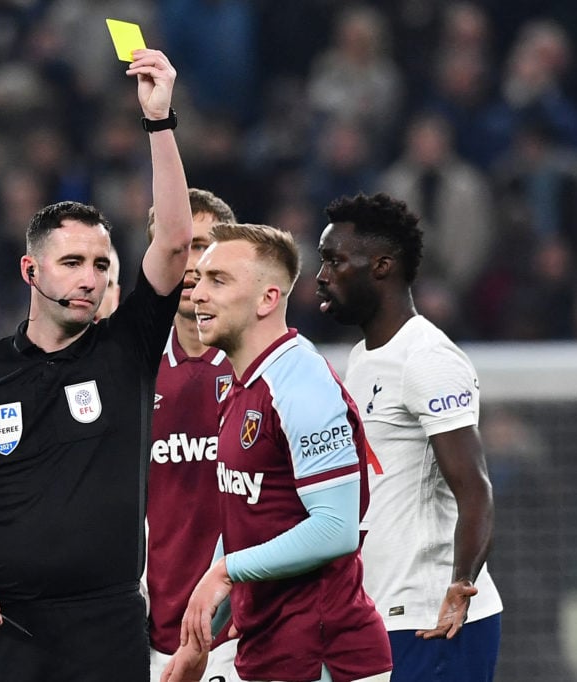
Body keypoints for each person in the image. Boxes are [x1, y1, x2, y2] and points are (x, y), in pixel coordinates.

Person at [0, 48, 193, 682]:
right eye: (71, 263)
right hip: (4, 629)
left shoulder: (126, 349)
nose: (89, 279)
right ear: (30, 270)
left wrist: (159, 121)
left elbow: (174, 241)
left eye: (100, 265)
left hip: (107, 629)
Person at [166, 223, 392, 682]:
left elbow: (336, 529)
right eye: (199, 279)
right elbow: (252, 521)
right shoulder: (241, 384)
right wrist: (198, 643)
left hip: (326, 655)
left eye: (218, 280)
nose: (197, 295)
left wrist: (227, 571)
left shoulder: (301, 384)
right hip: (269, 649)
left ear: (268, 299)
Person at [314, 192, 502, 681]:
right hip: (376, 610)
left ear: (381, 266)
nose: (322, 276)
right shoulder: (361, 359)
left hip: (430, 617)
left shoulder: (428, 359)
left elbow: (475, 490)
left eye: (335, 260)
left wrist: (460, 584)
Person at [0, 243, 121, 680]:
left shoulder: (152, 390)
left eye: (106, 278)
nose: (91, 286)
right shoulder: (3, 393)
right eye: (74, 268)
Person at [146, 189, 240, 682]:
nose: (188, 263)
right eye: (174, 246)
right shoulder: (126, 373)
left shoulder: (268, 369)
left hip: (239, 636)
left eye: (201, 246)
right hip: (142, 635)